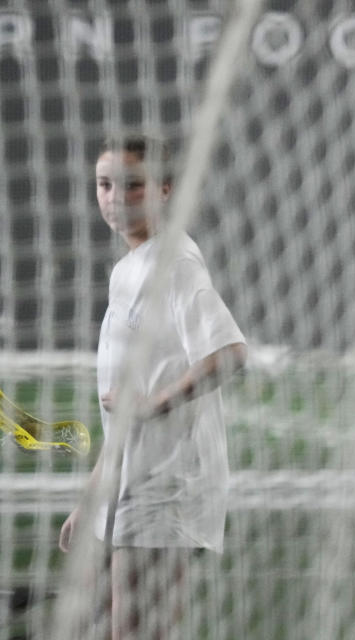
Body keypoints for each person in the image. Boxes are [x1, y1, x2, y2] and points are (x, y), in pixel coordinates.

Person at [59, 134, 247, 639]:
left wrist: (154, 406)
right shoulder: (129, 269)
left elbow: (229, 354)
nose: (115, 197)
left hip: (166, 487)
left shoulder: (175, 263)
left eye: (132, 185)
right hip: (129, 485)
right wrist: (92, 498)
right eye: (104, 184)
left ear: (165, 190)